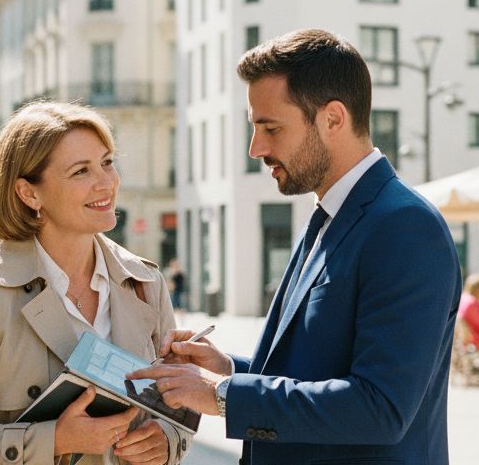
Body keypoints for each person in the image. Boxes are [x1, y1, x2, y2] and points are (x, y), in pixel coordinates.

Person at [128, 29, 462, 465]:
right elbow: (316, 372)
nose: (256, 148)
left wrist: (221, 396)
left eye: (270, 127)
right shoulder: (330, 214)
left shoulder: (404, 226)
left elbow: (380, 407)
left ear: (333, 119)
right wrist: (226, 368)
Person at [0, 102, 191, 465]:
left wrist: (167, 440)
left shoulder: (144, 281)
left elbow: (173, 410)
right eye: (81, 171)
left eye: (107, 162)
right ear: (29, 193)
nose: (107, 182)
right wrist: (54, 440)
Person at [458, 275, 479, 350]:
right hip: (476, 342)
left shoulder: (463, 298)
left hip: (463, 341)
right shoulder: (473, 303)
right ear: (478, 289)